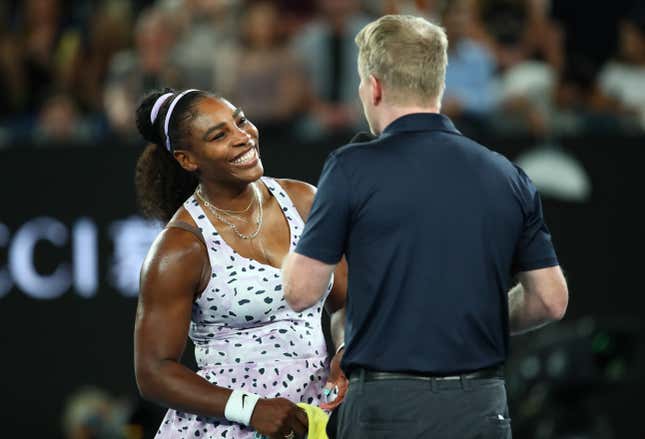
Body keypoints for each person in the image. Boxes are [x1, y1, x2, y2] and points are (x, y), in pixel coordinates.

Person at [282, 14, 569, 439]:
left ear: (374, 86)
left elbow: (301, 290)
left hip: (387, 410)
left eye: (363, 84)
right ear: (436, 83)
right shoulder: (507, 175)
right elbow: (549, 301)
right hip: (482, 408)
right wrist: (482, 316)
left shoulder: (350, 168)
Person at [133, 88, 348, 439]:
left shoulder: (305, 201)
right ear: (189, 160)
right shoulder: (180, 247)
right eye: (219, 135)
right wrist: (249, 408)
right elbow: (153, 371)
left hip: (314, 417)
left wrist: (343, 349)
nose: (242, 137)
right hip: (230, 427)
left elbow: (345, 304)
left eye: (240, 121)